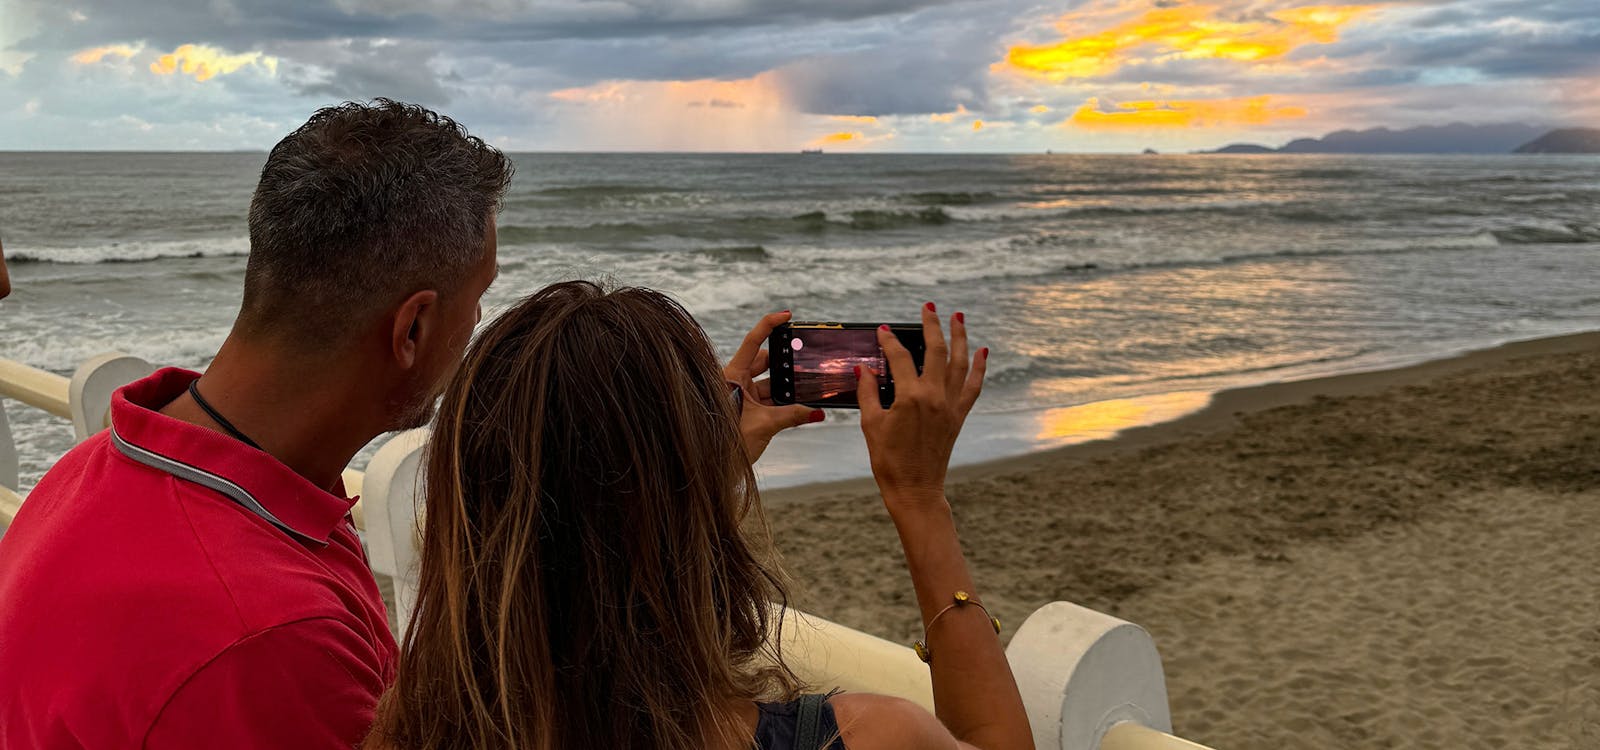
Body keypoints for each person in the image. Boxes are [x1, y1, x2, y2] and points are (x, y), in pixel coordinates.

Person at [0, 99, 816, 748]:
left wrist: (682, 467)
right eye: (478, 299)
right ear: (413, 329)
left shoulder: (113, 465)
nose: (480, 324)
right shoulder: (266, 641)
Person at [365, 282, 1033, 750]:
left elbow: (558, 548)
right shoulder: (869, 737)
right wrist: (918, 498)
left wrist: (693, 475)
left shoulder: (410, 727)